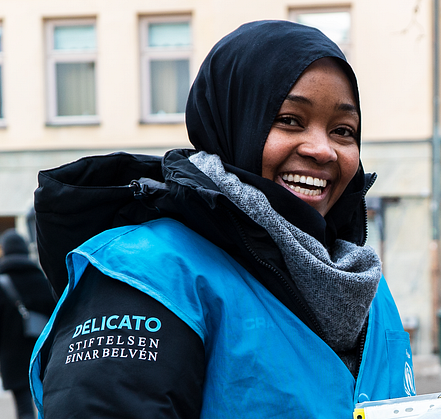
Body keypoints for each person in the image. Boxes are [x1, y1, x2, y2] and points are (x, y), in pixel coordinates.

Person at [30, 20, 415, 418]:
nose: (323, 150)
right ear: (233, 121)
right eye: (289, 120)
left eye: (342, 130)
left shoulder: (366, 286)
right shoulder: (147, 275)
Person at [0, 230, 55, 419]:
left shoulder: (2, 282)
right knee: (48, 402)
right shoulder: (43, 280)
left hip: (12, 356)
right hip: (42, 353)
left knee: (24, 408)